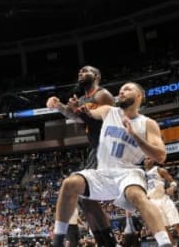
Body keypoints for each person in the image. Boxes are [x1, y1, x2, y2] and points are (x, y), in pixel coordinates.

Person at [51, 82, 173, 247]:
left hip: (128, 172)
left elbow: (160, 156)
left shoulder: (148, 123)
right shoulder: (109, 111)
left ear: (139, 96)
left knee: (137, 196)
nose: (122, 92)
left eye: (127, 89)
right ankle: (57, 242)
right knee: (69, 183)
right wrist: (68, 107)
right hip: (103, 172)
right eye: (121, 90)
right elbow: (86, 114)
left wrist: (135, 135)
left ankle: (165, 243)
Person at [46, 66, 117, 247]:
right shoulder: (83, 98)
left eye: (85, 71)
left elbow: (110, 119)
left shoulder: (102, 95)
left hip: (106, 146)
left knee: (83, 192)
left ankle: (108, 242)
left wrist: (81, 111)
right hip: (94, 148)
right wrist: (59, 106)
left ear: (97, 76)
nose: (80, 73)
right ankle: (106, 242)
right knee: (85, 197)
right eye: (79, 71)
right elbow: (78, 118)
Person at [144, 157, 179, 246]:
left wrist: (172, 187)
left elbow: (173, 182)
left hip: (163, 199)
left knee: (177, 224)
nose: (147, 161)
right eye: (145, 159)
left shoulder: (159, 170)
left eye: (149, 159)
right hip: (153, 202)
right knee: (164, 228)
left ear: (153, 160)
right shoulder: (142, 174)